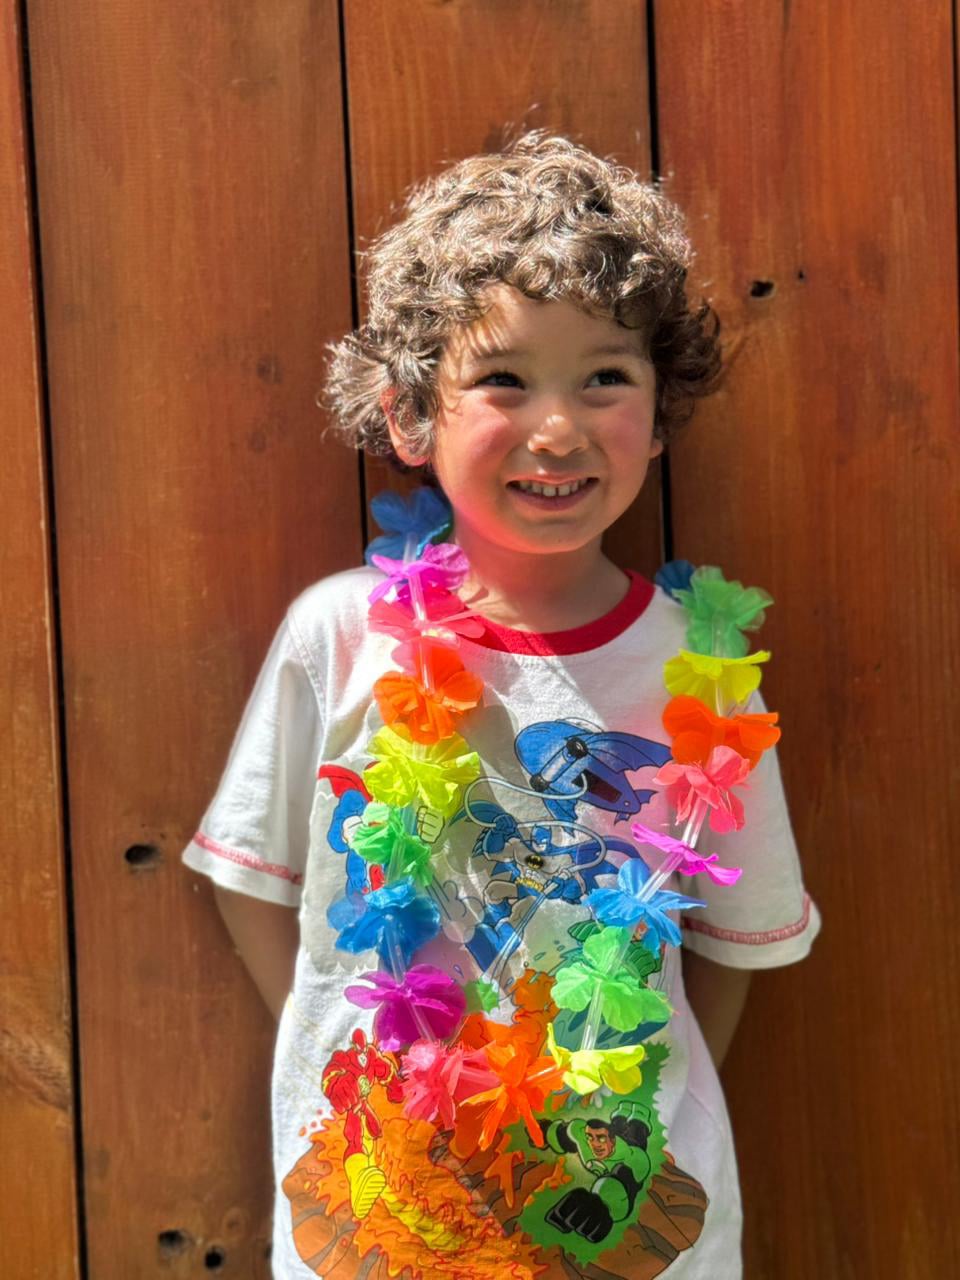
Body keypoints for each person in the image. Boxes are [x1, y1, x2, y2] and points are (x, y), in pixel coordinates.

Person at [182, 129, 820, 1279]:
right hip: (385, 1204)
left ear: (660, 415)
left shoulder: (705, 673)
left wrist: (648, 1088)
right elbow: (250, 879)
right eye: (503, 379)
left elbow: (737, 939)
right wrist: (341, 1024)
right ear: (408, 414)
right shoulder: (340, 634)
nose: (558, 427)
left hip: (617, 1207)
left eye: (605, 377)